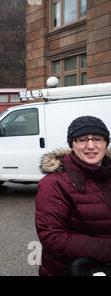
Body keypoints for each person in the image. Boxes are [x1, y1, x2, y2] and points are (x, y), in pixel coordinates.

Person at [36, 115, 111, 276]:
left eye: (97, 139)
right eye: (82, 139)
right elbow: (52, 237)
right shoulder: (54, 183)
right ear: (72, 145)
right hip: (71, 270)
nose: (91, 146)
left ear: (106, 143)